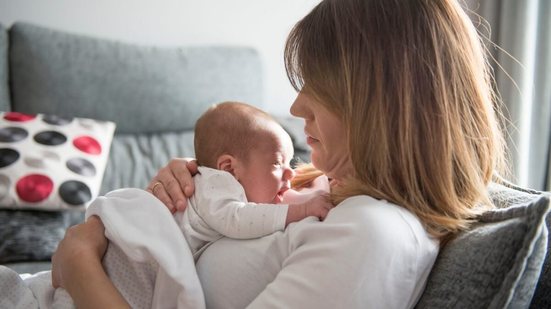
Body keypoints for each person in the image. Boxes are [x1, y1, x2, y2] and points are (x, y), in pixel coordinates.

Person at [52, 0, 507, 308]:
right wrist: (186, 184)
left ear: (383, 101)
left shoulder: (373, 235)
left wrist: (79, 264)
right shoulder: (325, 187)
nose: (294, 106)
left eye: (319, 84)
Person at [171, 101, 333, 258]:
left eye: (289, 163)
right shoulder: (216, 183)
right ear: (229, 168)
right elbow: (236, 219)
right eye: (277, 163)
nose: (291, 173)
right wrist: (302, 211)